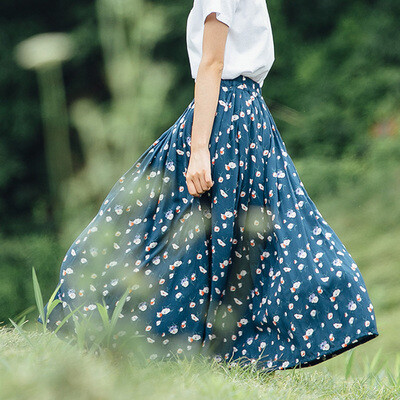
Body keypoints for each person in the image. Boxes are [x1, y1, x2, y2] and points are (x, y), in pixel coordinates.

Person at [38, 0, 379, 371]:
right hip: (248, 116)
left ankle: (127, 327)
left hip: (223, 114)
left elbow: (213, 63)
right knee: (243, 236)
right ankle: (205, 347)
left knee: (140, 222)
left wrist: (199, 147)